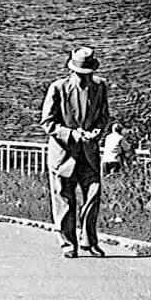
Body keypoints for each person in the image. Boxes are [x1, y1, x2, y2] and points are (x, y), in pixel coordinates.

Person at [41, 45, 111, 257]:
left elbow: (104, 115)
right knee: (64, 200)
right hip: (64, 155)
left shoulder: (100, 87)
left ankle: (89, 241)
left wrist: (98, 130)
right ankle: (68, 244)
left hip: (88, 153)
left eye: (88, 74)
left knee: (93, 194)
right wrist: (72, 135)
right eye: (81, 74)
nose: (84, 78)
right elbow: (48, 123)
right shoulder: (58, 88)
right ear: (72, 70)